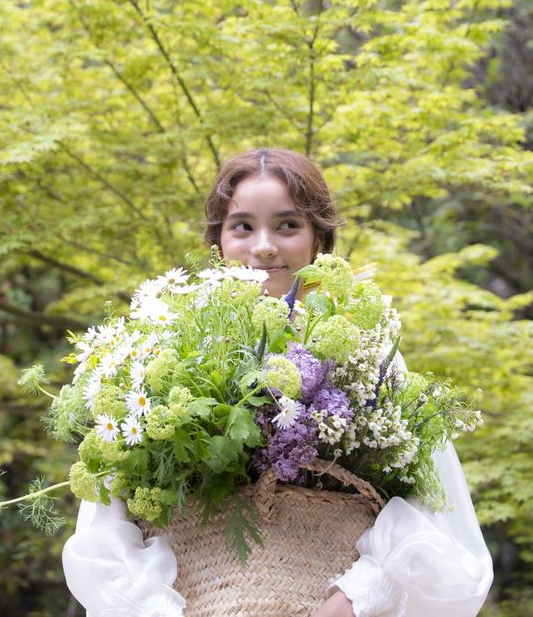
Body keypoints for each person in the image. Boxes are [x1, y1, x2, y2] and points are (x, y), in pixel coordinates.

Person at [62, 148, 494, 616]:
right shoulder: (162, 351)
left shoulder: (367, 354)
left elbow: (436, 514)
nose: (264, 246)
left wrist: (357, 597)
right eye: (243, 226)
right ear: (219, 241)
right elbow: (104, 532)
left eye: (288, 225)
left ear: (317, 242)